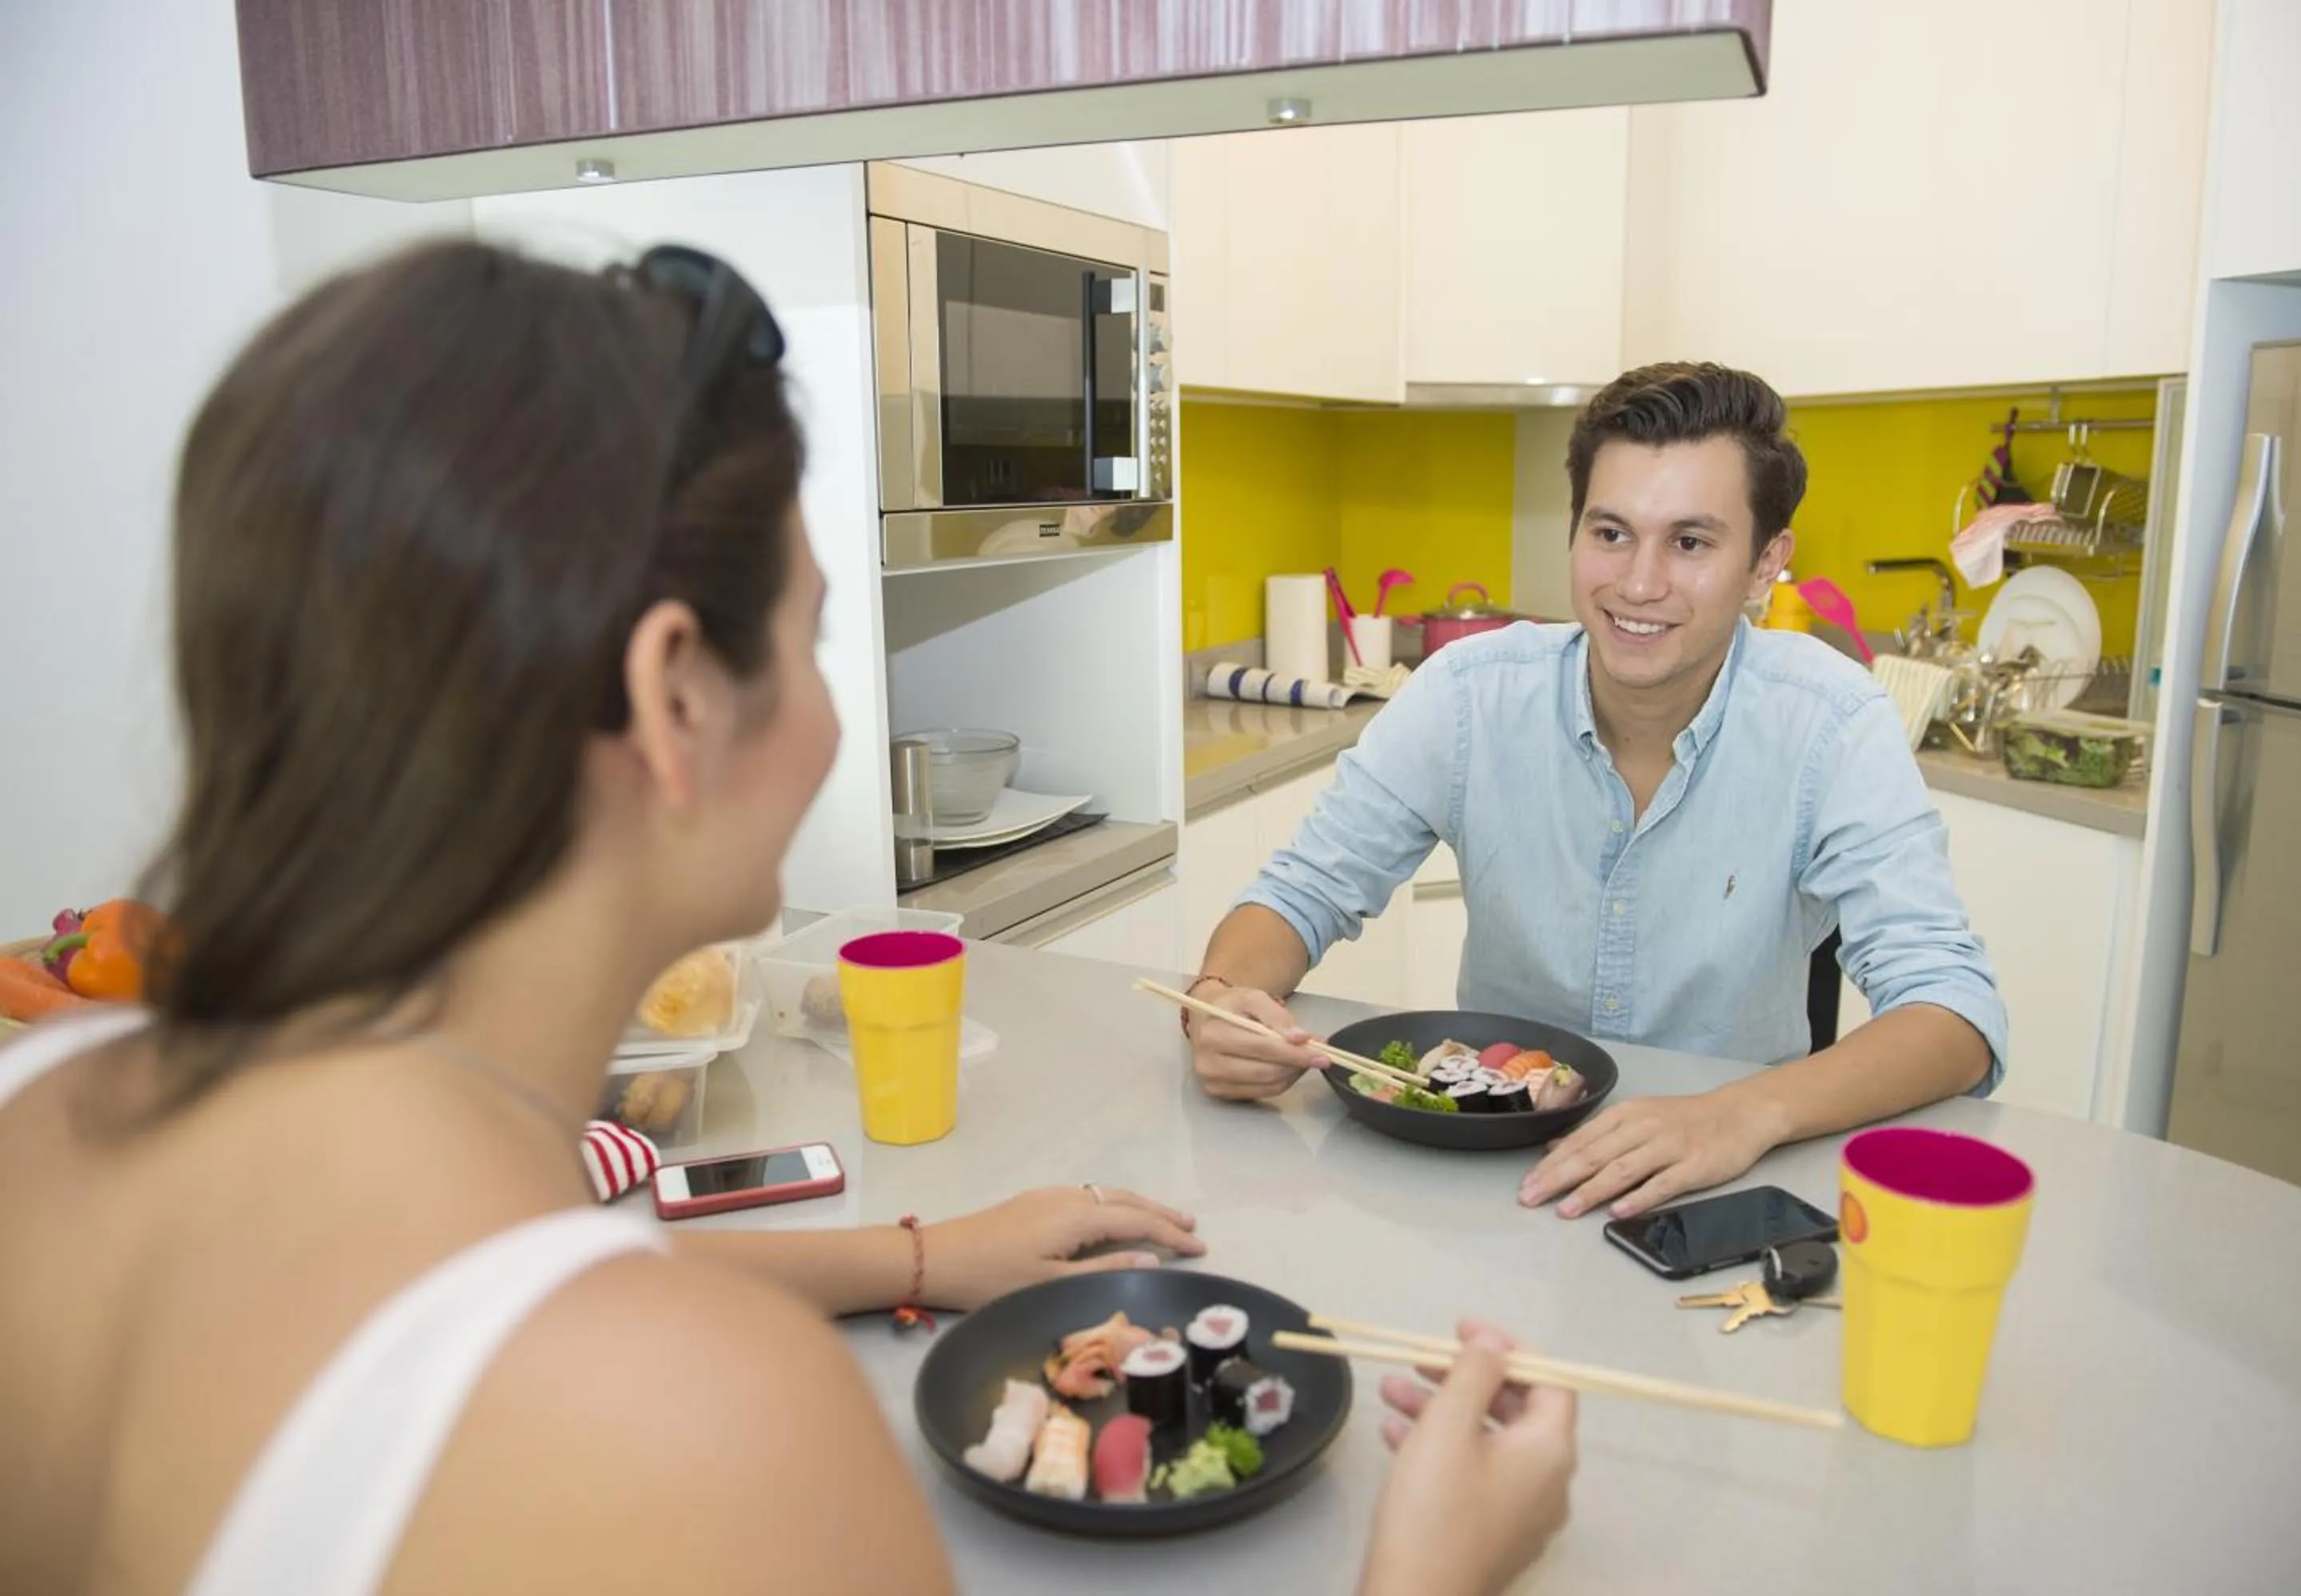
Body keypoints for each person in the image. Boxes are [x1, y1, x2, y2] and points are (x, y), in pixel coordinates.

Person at [0, 241, 1573, 1595]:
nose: (831, 718)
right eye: (815, 638)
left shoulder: (45, 1107)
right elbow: (557, 1339)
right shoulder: (713, 1433)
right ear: (674, 692)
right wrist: (1427, 1569)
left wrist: (911, 1249)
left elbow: (400, 1309)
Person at [1184, 362, 2005, 1223]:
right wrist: (1221, 1002)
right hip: (1496, 1169)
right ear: (1572, 530)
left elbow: (1955, 1012)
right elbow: (1297, 897)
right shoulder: (1467, 695)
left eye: (1690, 542)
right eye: (1610, 533)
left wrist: (1743, 1112)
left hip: (1728, 1181)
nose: (1639, 584)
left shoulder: (1832, 723)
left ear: (1766, 565)